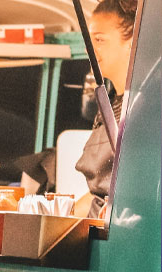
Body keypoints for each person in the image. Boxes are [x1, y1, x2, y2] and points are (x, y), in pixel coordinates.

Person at [75, 0, 138, 218]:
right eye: (89, 40)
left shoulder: (147, 108)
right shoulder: (107, 104)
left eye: (100, 40)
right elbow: (97, 195)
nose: (89, 49)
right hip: (96, 232)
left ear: (132, 42)